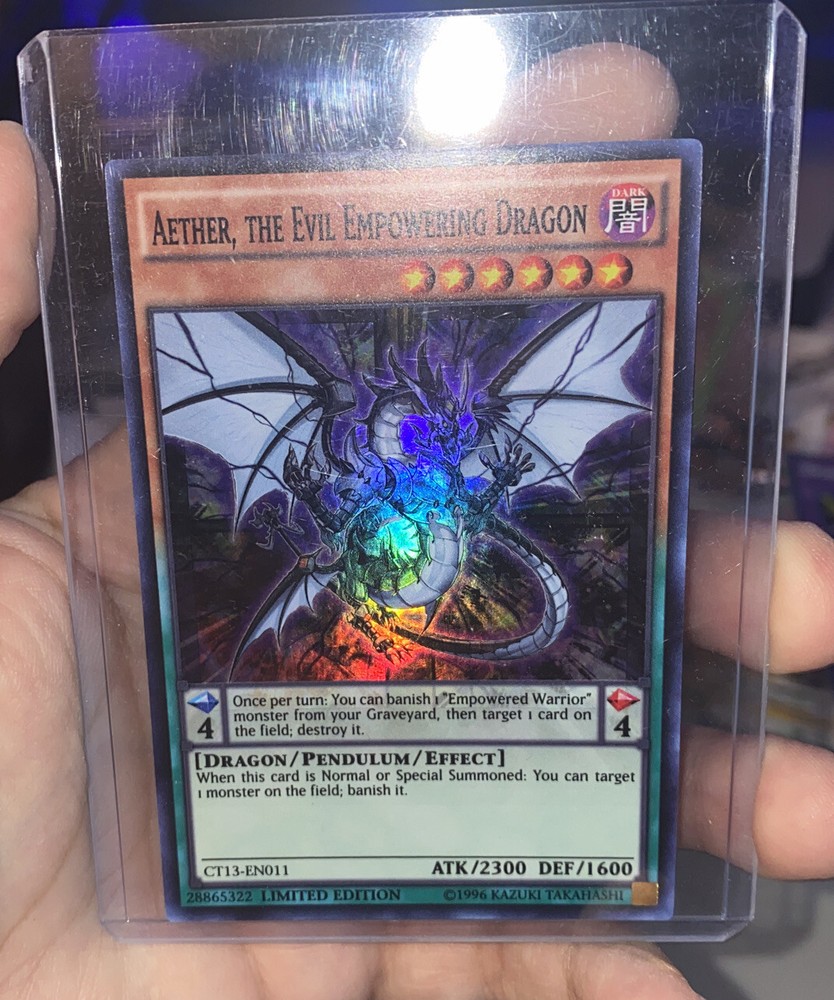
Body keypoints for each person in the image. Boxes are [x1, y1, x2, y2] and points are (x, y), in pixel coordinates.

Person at [2, 40, 834, 1000]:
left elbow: (477, 494)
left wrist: (483, 494)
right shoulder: (343, 453)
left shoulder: (455, 454)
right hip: (374, 586)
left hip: (447, 570)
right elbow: (346, 513)